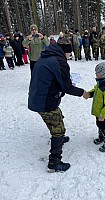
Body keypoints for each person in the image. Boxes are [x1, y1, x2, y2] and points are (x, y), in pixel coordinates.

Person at [28, 38, 88, 172]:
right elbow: (67, 87)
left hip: (38, 98)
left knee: (57, 116)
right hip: (45, 101)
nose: (70, 56)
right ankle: (54, 162)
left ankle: (58, 138)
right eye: (70, 53)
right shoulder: (59, 61)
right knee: (58, 128)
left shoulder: (46, 56)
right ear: (66, 51)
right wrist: (82, 92)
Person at [84, 62, 105, 152]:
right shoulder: (101, 83)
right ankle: (101, 137)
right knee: (99, 125)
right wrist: (89, 94)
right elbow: (96, 90)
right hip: (99, 113)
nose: (95, 74)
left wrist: (103, 115)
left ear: (103, 74)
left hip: (104, 115)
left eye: (97, 73)